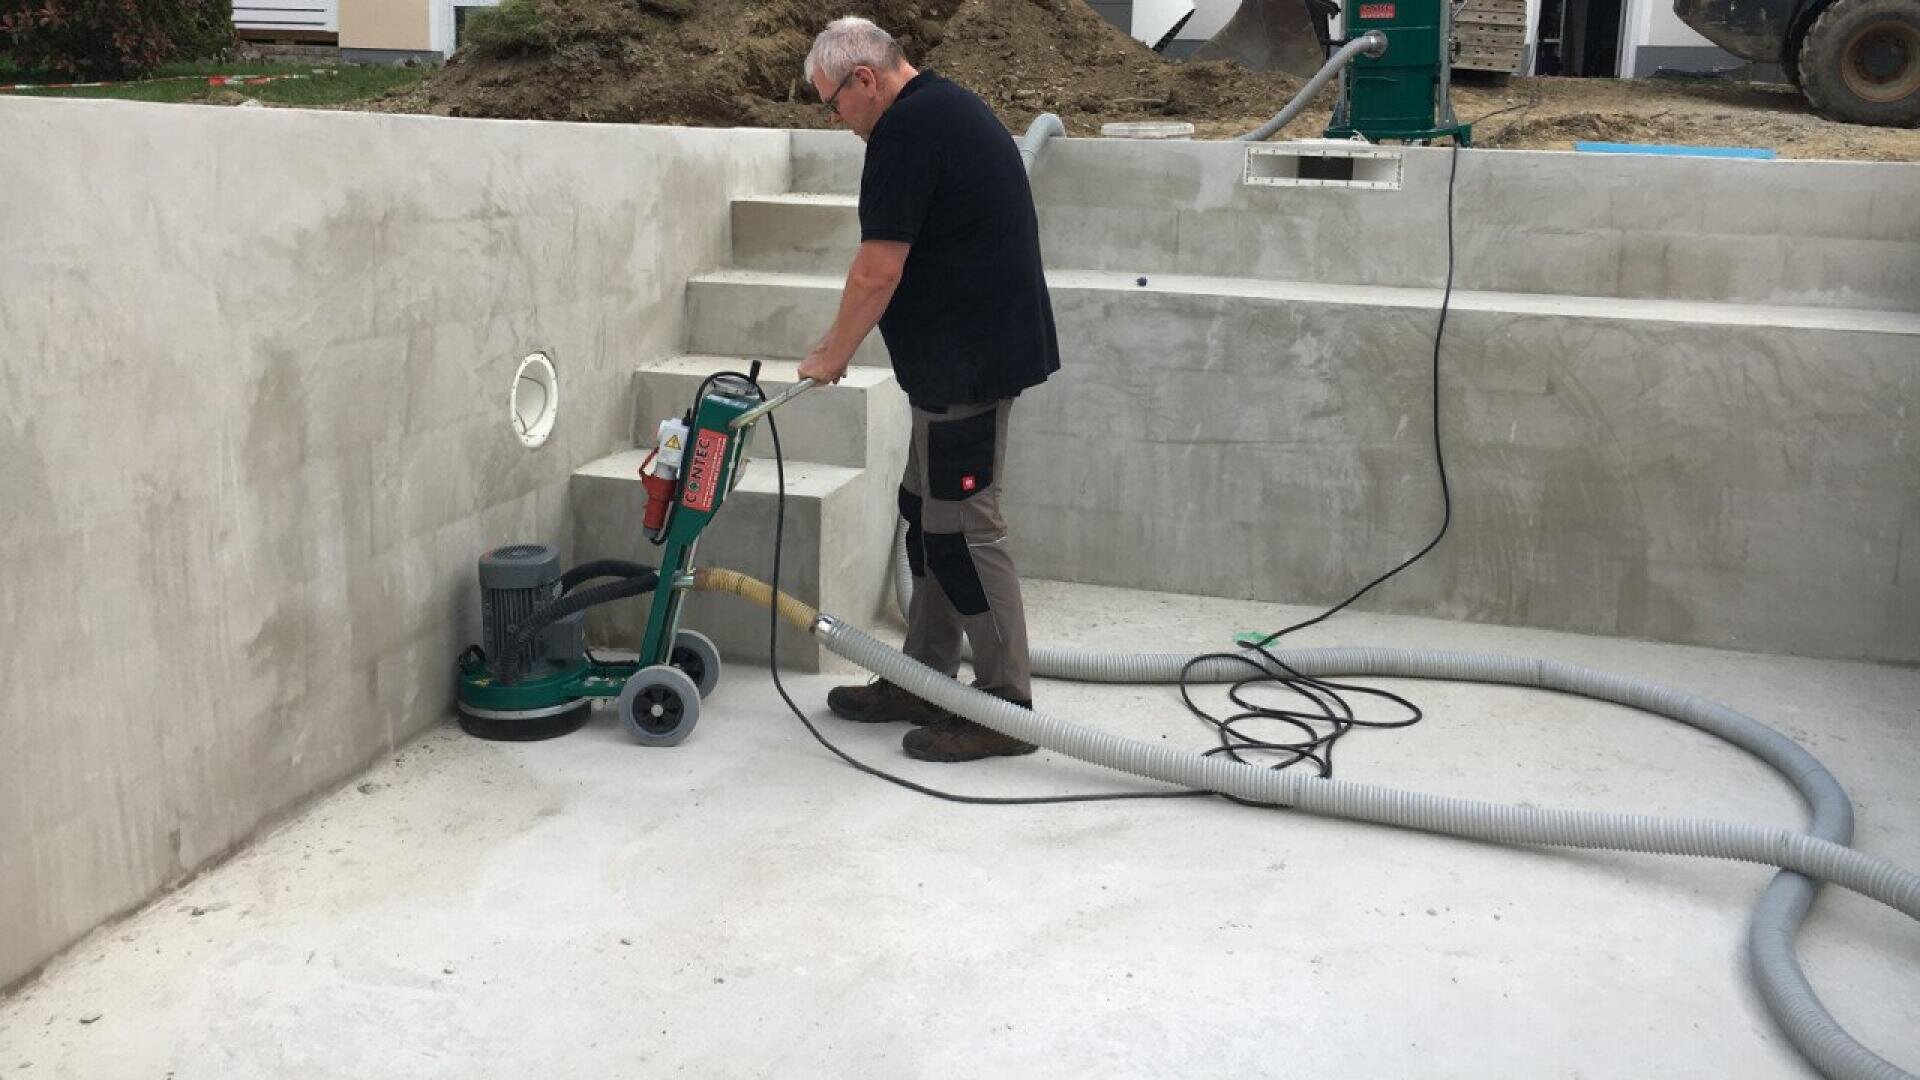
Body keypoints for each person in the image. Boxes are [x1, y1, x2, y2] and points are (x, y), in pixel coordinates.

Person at [794, 16, 1060, 763]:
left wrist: (831, 353)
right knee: (927, 516)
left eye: (831, 102)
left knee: (965, 532)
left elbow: (879, 268)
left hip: (967, 369)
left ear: (865, 80)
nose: (834, 118)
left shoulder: (907, 133)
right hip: (957, 365)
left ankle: (1007, 707)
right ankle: (926, 678)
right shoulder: (943, 108)